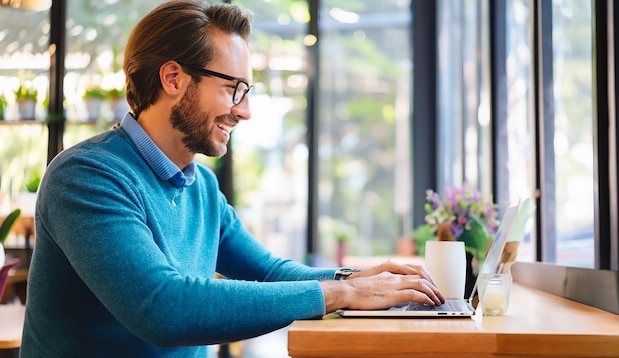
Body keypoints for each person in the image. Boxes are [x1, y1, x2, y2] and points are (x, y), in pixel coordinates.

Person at [20, 1, 445, 356]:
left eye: (247, 92)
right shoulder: (87, 176)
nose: (244, 111)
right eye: (233, 88)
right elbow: (161, 307)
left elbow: (267, 271)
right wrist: (341, 295)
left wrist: (357, 281)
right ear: (173, 78)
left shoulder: (200, 186)